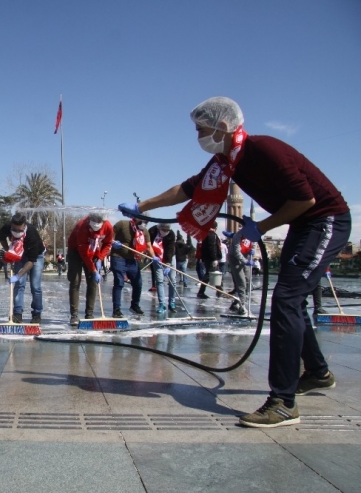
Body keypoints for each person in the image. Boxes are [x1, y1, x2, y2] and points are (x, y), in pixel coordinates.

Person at [118, 96, 351, 428]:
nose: (198, 135)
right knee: (292, 301)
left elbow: (305, 199)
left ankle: (283, 402)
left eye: (201, 129)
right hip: (303, 224)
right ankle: (317, 372)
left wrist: (259, 229)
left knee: (286, 299)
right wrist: (144, 206)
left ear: (223, 127)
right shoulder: (225, 162)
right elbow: (187, 189)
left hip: (326, 220)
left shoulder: (264, 150)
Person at [67, 213, 113, 325]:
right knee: (75, 281)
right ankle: (74, 315)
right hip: (76, 252)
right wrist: (93, 270)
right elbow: (83, 253)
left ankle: (89, 314)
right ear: (89, 220)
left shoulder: (108, 226)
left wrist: (100, 258)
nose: (96, 224)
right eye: (94, 221)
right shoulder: (81, 226)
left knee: (93, 282)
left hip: (94, 251)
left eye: (99, 222)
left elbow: (108, 243)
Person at [0, 213, 45, 323]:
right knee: (19, 285)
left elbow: (32, 261)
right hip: (20, 254)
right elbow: (1, 236)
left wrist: (18, 275)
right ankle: (17, 313)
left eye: (19, 230)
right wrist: (9, 250)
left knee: (35, 286)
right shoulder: (7, 227)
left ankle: (37, 314)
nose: (17, 232)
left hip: (36, 256)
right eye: (14, 229)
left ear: (24, 225)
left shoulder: (32, 233)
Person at [110, 216, 155, 318]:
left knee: (138, 283)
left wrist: (155, 258)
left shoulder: (144, 232)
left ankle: (135, 305)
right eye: (142, 221)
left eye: (146, 222)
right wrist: (113, 242)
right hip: (118, 257)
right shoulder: (123, 224)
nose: (144, 223)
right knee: (119, 282)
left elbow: (148, 246)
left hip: (133, 260)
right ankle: (116, 310)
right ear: (136, 218)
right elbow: (110, 234)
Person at [148, 222, 177, 313]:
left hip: (169, 257)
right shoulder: (152, 231)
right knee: (159, 281)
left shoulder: (171, 234)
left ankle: (172, 302)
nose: (166, 232)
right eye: (164, 230)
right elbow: (148, 244)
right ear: (159, 228)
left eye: (167, 230)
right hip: (156, 257)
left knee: (172, 280)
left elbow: (170, 249)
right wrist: (153, 256)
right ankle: (162, 304)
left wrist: (168, 264)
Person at [225, 229, 253, 316]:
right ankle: (242, 306)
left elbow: (254, 244)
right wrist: (245, 261)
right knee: (241, 283)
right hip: (235, 259)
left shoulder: (253, 234)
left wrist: (252, 251)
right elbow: (236, 252)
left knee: (248, 282)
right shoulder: (238, 235)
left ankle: (236, 303)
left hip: (245, 258)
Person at [196, 222, 221, 299]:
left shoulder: (206, 234)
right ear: (215, 228)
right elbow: (212, 247)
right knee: (210, 274)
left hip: (207, 258)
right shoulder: (212, 235)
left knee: (213, 273)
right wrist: (214, 258)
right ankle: (201, 292)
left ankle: (219, 291)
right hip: (211, 258)